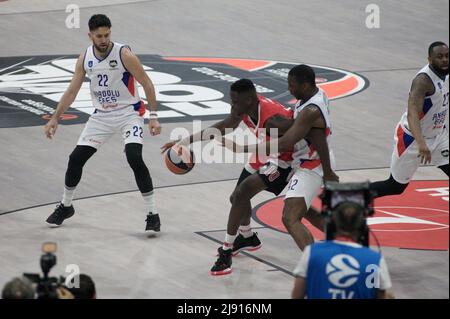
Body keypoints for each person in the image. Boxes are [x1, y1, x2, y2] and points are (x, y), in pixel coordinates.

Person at [162, 78, 338, 275]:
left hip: (285, 161)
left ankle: (226, 252)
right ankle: (247, 237)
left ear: (249, 100)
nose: (232, 105)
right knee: (237, 198)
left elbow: (288, 144)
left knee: (244, 194)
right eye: (231, 100)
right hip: (266, 153)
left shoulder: (273, 119)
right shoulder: (244, 108)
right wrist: (186, 141)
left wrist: (241, 148)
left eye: (235, 101)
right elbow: (226, 124)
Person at [43, 14, 162, 232]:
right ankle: (66, 206)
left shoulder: (124, 54)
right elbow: (72, 90)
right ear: (90, 36)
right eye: (99, 36)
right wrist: (55, 118)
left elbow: (146, 82)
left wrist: (153, 116)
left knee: (134, 157)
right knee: (75, 159)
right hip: (101, 117)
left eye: (107, 34)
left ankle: (152, 214)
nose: (104, 39)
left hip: (129, 113)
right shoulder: (85, 58)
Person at [224, 65, 336, 252]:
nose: (289, 89)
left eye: (292, 86)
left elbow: (285, 143)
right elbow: (318, 137)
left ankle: (316, 266)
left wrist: (242, 148)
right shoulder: (316, 95)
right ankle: (342, 236)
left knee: (290, 217)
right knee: (302, 209)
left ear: (307, 85)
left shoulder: (311, 110)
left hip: (307, 163)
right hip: (299, 160)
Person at [370, 42, 449, 198]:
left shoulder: (445, 72)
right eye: (439, 57)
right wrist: (421, 143)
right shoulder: (423, 81)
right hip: (412, 139)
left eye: (447, 56)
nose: (445, 60)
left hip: (439, 136)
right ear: (430, 60)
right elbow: (413, 113)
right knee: (395, 186)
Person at [291, 202, 393, 299]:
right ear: (362, 227)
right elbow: (380, 295)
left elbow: (297, 295)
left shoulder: (312, 253)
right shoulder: (374, 260)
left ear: (332, 224)